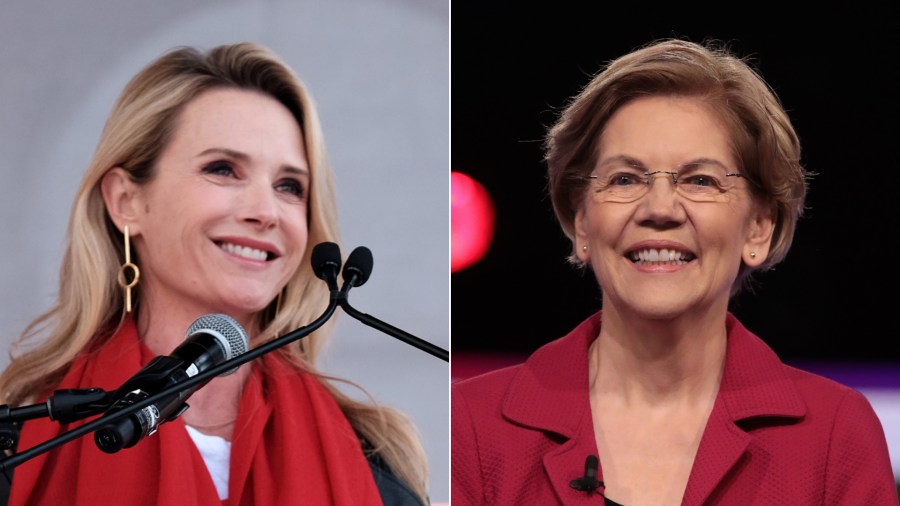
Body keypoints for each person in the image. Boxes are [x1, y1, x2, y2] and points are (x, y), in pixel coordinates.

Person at [451, 38, 898, 505]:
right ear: (580, 221)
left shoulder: (833, 436)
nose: (660, 208)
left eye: (699, 180)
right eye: (625, 179)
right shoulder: (473, 427)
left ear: (759, 227)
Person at [0, 42, 429, 505]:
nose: (265, 212)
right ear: (126, 201)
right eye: (223, 169)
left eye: (289, 187)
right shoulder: (23, 444)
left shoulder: (374, 463)